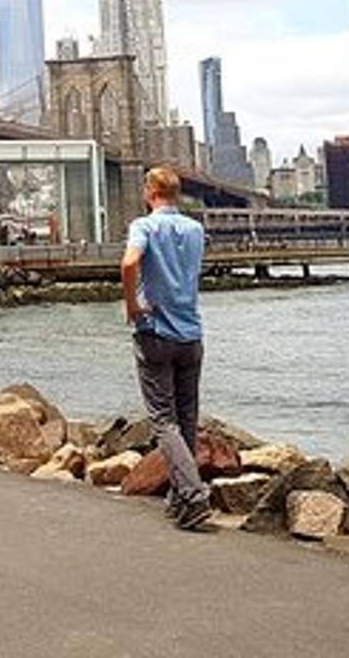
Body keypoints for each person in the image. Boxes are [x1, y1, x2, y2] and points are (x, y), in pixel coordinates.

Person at [120, 165, 212, 531]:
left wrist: (132, 304)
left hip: (155, 331)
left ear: (149, 192)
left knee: (163, 419)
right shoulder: (195, 229)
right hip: (191, 333)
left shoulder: (144, 226)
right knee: (187, 418)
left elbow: (129, 263)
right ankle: (180, 500)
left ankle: (192, 494)